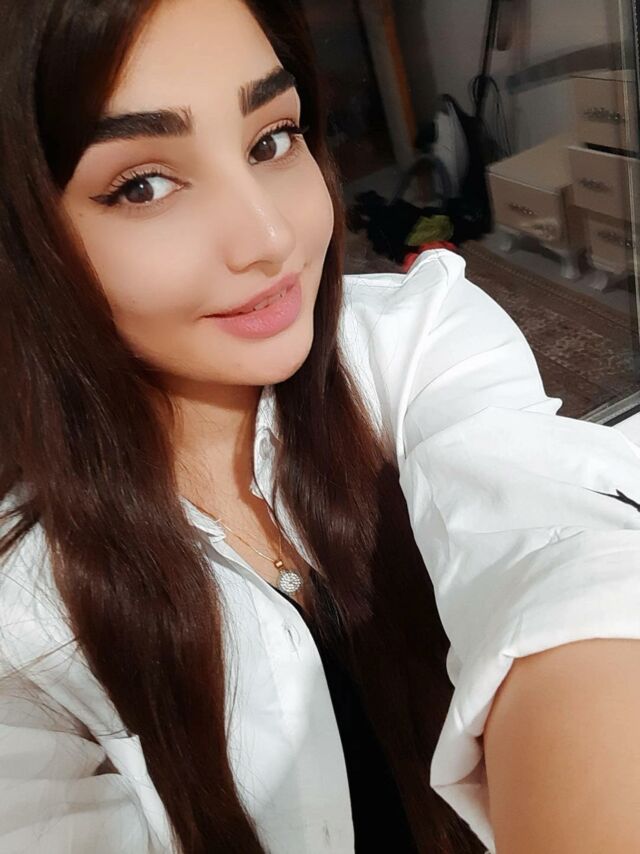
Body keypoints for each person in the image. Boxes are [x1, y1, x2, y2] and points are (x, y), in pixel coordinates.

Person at [1, 1, 640, 852]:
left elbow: (561, 561)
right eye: (143, 185)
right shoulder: (22, 614)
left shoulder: (409, 341)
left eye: (272, 139)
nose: (271, 238)